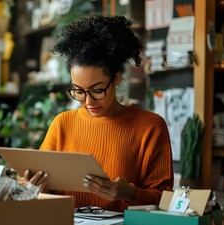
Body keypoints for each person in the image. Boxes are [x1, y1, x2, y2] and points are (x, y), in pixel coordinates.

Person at [24, 14, 174, 212]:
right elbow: (35, 184)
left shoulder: (150, 127)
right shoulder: (63, 124)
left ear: (117, 78)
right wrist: (31, 186)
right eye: (78, 90)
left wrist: (129, 193)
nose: (87, 101)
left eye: (97, 90)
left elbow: (166, 200)